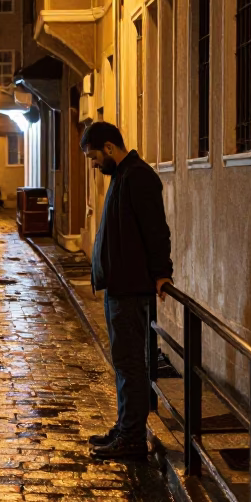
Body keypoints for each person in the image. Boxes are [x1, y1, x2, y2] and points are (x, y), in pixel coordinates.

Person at [80, 121, 173, 461]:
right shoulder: (122, 175)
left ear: (108, 148)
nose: (93, 164)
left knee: (132, 363)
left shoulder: (138, 176)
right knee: (123, 362)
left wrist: (162, 273)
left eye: (93, 156)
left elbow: (155, 229)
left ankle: (132, 438)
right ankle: (125, 426)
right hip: (120, 288)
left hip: (132, 291)